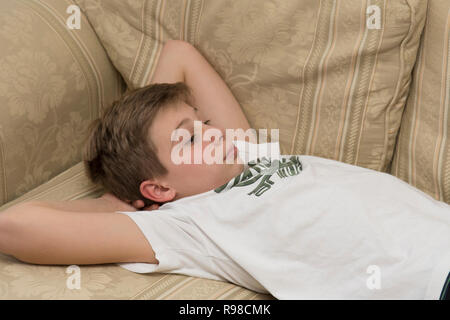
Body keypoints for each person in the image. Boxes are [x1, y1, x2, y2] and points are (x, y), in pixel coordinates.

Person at [0, 40, 449, 299]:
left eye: (204, 123)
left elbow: (179, 54)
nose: (211, 134)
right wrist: (118, 204)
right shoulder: (188, 225)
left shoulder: (247, 154)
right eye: (190, 137)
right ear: (157, 188)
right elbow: (13, 226)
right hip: (426, 282)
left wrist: (139, 126)